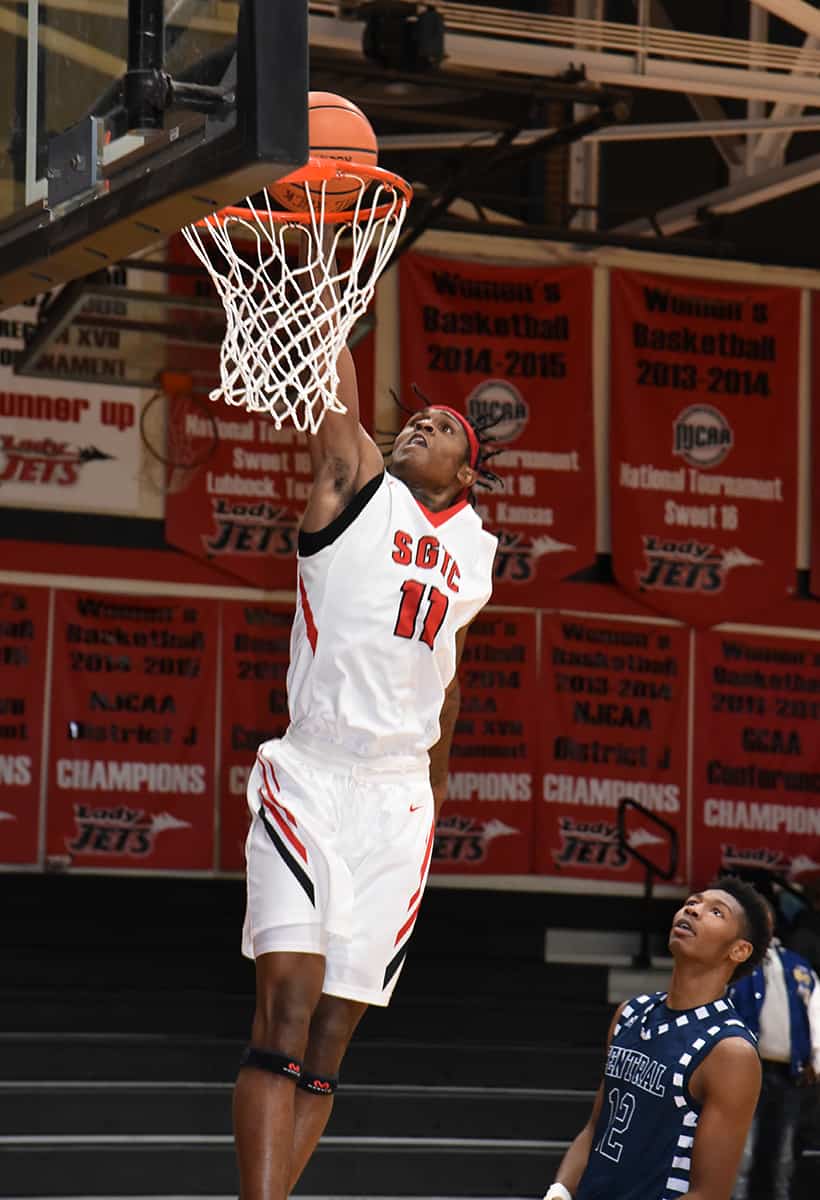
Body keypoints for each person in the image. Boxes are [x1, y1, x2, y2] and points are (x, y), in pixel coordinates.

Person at [233, 343, 498, 1199]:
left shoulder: (475, 552)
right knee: (286, 1008)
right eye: (414, 419)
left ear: (469, 471)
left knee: (333, 1036)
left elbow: (448, 684)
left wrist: (436, 789)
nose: (422, 422)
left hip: (398, 796)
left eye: (446, 425)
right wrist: (327, 286)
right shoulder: (356, 485)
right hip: (311, 771)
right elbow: (335, 401)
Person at [543, 877, 771, 1200]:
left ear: (739, 950)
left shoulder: (729, 1050)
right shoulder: (629, 1013)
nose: (693, 909)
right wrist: (560, 1190)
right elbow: (597, 1126)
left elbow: (709, 1194)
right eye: (693, 901)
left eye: (716, 912)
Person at [730, 900, 820, 1200]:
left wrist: (816, 1060)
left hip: (789, 1071)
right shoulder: (734, 961)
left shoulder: (799, 966)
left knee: (783, 1154)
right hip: (744, 1070)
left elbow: (816, 1016)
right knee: (742, 1150)